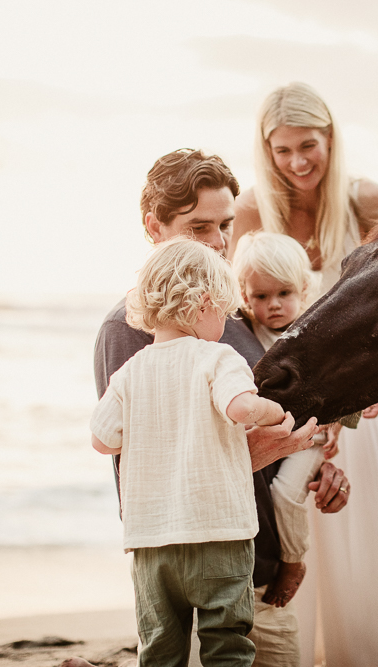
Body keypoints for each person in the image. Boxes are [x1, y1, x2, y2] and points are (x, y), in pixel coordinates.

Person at [92, 149, 351, 667]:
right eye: (199, 227)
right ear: (153, 227)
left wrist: (317, 464)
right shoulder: (128, 328)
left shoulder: (231, 313)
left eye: (226, 224)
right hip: (200, 567)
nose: (217, 241)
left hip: (261, 557)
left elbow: (265, 423)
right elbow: (143, 468)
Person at [233, 83, 378, 667]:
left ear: (331, 138)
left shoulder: (363, 199)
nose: (298, 162)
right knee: (287, 519)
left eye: (310, 145)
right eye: (283, 150)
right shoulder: (251, 209)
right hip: (283, 404)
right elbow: (238, 316)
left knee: (363, 543)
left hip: (356, 402)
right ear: (266, 150)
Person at [91, 237, 292, 666]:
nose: (225, 321)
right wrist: (273, 411)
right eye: (224, 310)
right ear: (204, 304)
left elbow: (103, 439)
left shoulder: (130, 371)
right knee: (227, 644)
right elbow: (239, 407)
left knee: (160, 649)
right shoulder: (218, 357)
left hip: (151, 545)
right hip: (218, 533)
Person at [231, 231, 329, 610]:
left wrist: (336, 426)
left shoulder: (313, 331)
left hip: (309, 434)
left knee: (285, 494)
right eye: (261, 296)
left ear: (304, 288)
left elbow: (342, 382)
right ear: (244, 296)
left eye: (284, 294)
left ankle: (292, 561)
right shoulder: (244, 329)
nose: (273, 305)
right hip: (273, 434)